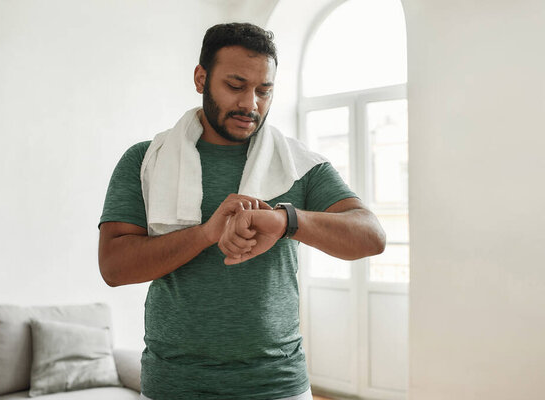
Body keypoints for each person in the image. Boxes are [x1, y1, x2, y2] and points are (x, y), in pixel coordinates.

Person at [98, 22, 386, 400]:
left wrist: (286, 220)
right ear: (201, 79)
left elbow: (371, 236)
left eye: (264, 91)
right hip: (174, 386)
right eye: (236, 86)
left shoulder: (298, 165)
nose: (251, 104)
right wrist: (205, 234)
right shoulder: (145, 161)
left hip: (278, 385)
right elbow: (114, 268)